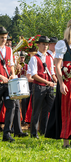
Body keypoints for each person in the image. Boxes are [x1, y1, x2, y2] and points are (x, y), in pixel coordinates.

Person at [45, 20, 71, 148]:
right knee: (66, 110)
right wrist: (61, 83)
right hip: (67, 83)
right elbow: (57, 65)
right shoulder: (63, 44)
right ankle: (66, 142)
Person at [29, 36, 57, 139]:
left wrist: (58, 81)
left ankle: (45, 132)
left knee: (51, 109)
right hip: (39, 87)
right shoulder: (34, 58)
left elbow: (52, 73)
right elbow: (34, 75)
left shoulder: (50, 58)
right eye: (43, 44)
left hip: (49, 88)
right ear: (38, 45)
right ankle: (33, 134)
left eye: (46, 44)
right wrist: (47, 82)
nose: (45, 46)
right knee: (36, 111)